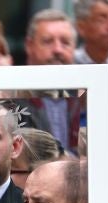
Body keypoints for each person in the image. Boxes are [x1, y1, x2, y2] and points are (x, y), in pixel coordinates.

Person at [21, 10, 81, 153]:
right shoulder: (12, 98)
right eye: (48, 41)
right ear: (29, 45)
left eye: (65, 42)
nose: (57, 49)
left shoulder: (89, 96)